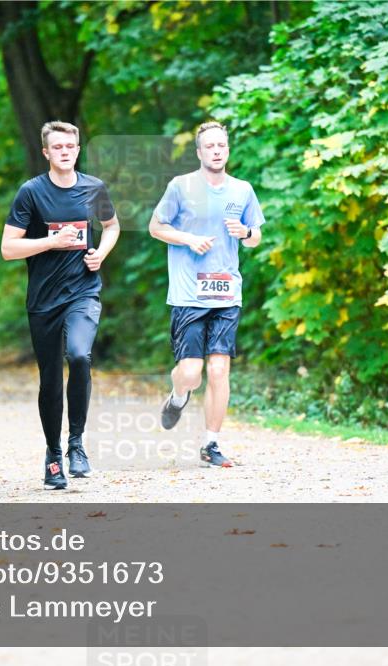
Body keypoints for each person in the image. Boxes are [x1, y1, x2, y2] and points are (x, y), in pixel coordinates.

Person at [1, 121, 121, 490]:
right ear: (46, 152)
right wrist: (51, 242)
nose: (65, 151)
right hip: (43, 300)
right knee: (50, 380)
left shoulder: (94, 188)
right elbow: (8, 249)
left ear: (78, 149)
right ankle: (53, 455)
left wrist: (100, 252)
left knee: (80, 355)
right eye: (58, 147)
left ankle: (76, 444)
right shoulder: (31, 192)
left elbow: (112, 226)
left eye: (71, 146)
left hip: (83, 291)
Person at [149, 121, 265, 468]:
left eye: (221, 146)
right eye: (210, 146)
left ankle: (210, 443)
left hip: (227, 293)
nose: (216, 151)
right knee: (191, 372)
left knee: (218, 371)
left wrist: (245, 231)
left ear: (227, 150)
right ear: (199, 152)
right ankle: (179, 394)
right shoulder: (180, 187)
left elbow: (255, 236)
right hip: (188, 294)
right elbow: (157, 227)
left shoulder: (242, 190)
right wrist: (188, 239)